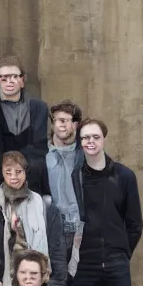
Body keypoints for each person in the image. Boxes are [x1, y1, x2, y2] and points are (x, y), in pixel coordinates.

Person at [63, 118, 143, 286]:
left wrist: (120, 252)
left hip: (116, 262)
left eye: (95, 137)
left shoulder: (123, 176)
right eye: (85, 138)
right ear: (79, 142)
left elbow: (135, 225)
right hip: (84, 264)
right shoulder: (75, 177)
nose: (90, 142)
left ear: (104, 139)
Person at [0, 150, 67, 286]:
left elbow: (57, 250)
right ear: (2, 173)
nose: (13, 177)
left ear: (25, 172)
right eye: (8, 172)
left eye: (18, 171)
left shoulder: (44, 208)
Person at [0, 56, 49, 194]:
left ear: (23, 80)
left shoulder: (38, 108)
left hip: (30, 177)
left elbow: (40, 146)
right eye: (3, 77)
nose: (9, 82)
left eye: (14, 77)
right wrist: (8, 170)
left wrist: (18, 169)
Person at [44, 100, 83, 258]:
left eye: (68, 120)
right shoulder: (40, 156)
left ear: (76, 124)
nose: (63, 125)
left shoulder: (86, 155)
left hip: (80, 230)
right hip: (50, 228)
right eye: (59, 120)